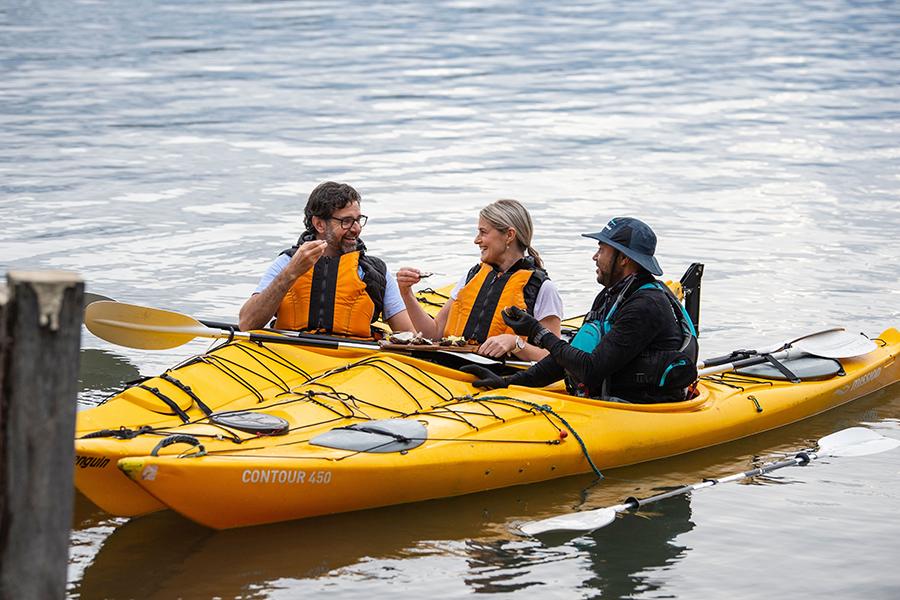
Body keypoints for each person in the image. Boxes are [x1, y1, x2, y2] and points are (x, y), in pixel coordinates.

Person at [465, 217, 698, 403]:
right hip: (610, 400)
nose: (595, 257)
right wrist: (511, 383)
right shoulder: (612, 295)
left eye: (602, 249)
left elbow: (589, 369)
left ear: (624, 259)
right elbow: (566, 359)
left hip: (646, 409)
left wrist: (537, 332)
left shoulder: (646, 306)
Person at [238, 181, 414, 337]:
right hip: (289, 358)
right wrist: (290, 274)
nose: (356, 229)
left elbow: (408, 335)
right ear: (319, 224)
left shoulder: (374, 272)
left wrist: (407, 291)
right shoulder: (287, 263)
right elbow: (247, 324)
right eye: (346, 221)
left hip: (356, 363)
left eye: (358, 220)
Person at [395, 199, 563, 361]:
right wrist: (406, 293)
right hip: (454, 369)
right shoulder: (472, 276)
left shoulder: (543, 288)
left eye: (483, 232)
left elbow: (554, 356)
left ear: (509, 235)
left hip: (504, 376)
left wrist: (515, 344)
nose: (477, 240)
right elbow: (434, 333)